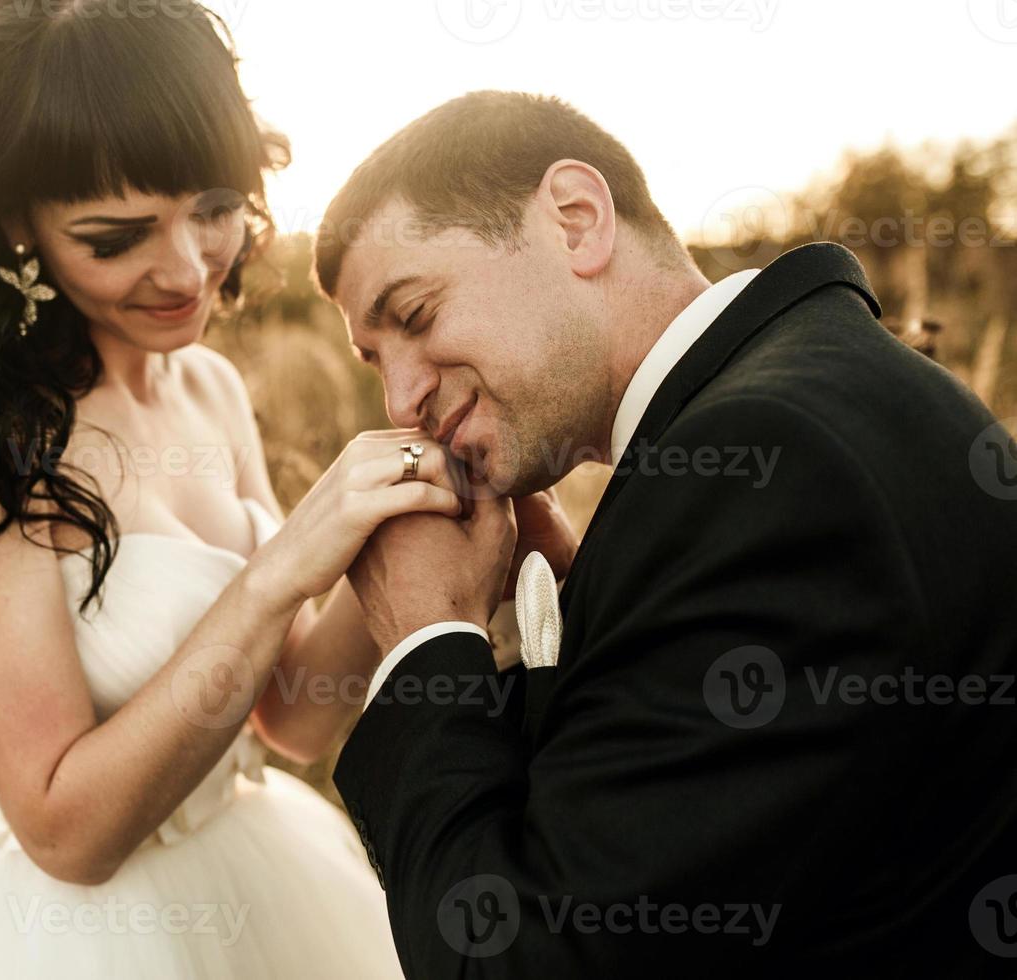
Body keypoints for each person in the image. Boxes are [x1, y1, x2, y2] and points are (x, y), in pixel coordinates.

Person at [0, 3, 461, 975]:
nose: (185, 268)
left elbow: (290, 716)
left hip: (256, 882)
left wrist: (400, 512)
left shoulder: (206, 384)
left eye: (213, 209)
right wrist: (282, 568)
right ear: (15, 223)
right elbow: (64, 831)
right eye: (116, 235)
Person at [315, 90, 1017, 978]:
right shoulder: (811, 390)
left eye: (415, 316)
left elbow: (519, 956)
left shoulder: (769, 466)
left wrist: (426, 641)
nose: (401, 400)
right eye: (376, 360)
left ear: (575, 220)